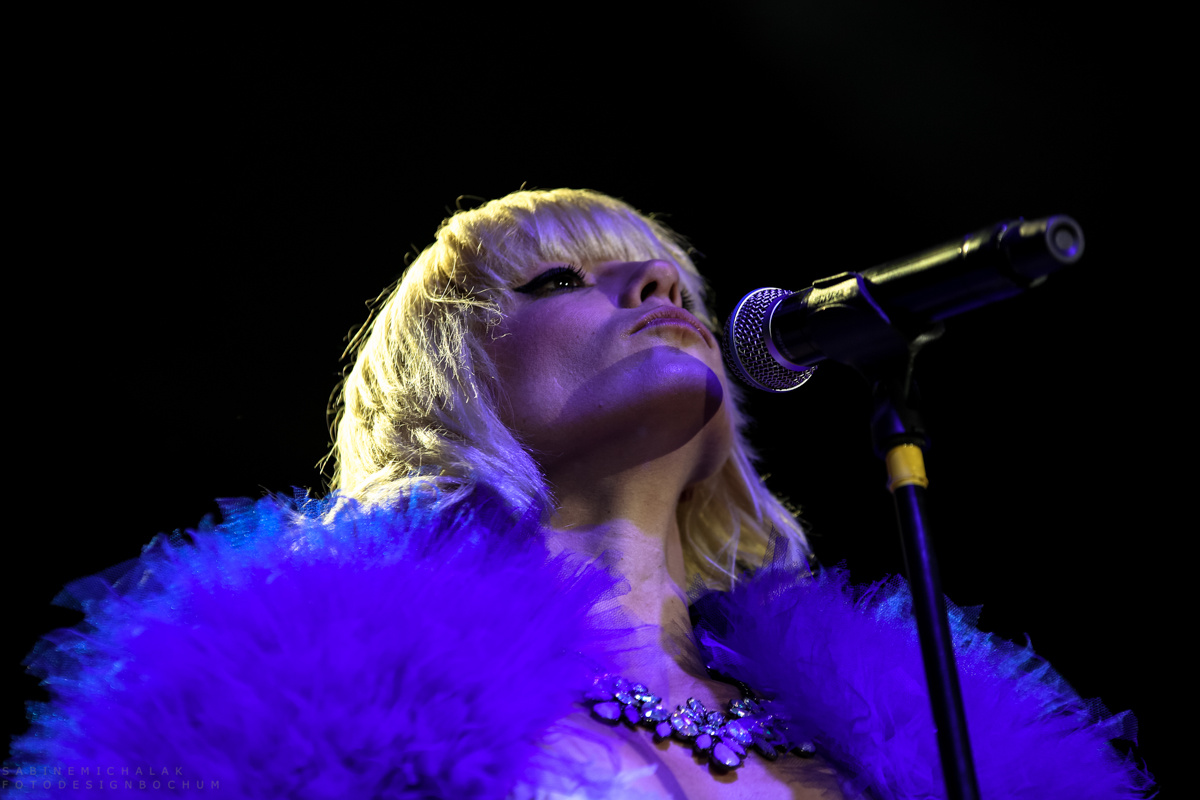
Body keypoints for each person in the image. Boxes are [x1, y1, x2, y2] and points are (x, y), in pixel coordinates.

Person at [4, 189, 1151, 799]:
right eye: (560, 277)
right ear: (448, 384)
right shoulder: (280, 690)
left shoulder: (935, 728)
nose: (657, 284)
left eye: (673, 280)